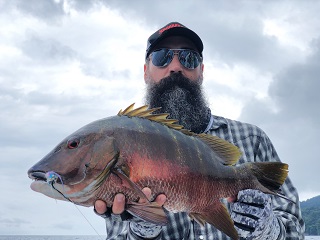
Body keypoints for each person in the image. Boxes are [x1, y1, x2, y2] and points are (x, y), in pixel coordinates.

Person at [94, 22, 305, 239]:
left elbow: (295, 230)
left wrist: (267, 230)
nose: (176, 66)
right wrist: (142, 227)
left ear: (201, 71)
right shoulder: (123, 148)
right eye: (161, 57)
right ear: (146, 72)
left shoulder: (253, 140)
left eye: (189, 58)